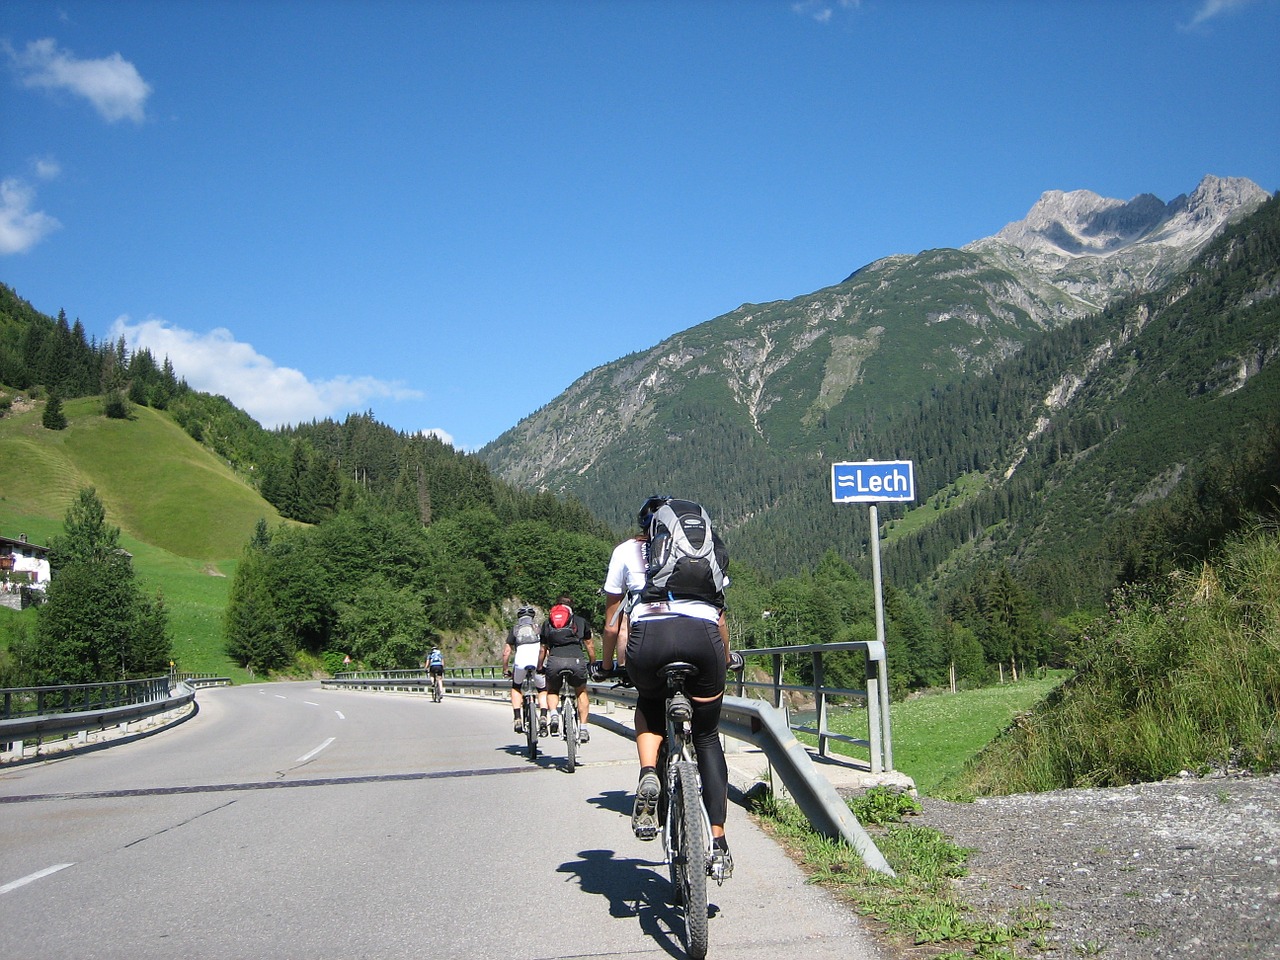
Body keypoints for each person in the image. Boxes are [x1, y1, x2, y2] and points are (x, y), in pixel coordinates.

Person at [598, 495, 736, 879]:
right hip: (702, 638)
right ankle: (720, 842)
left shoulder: (626, 551)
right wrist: (725, 656)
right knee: (707, 737)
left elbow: (612, 625)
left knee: (650, 703)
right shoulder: (705, 552)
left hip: (649, 641)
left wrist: (608, 665)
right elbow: (720, 618)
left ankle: (647, 772)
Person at [539, 595, 596, 742]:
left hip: (555, 661)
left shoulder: (547, 623)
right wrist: (593, 662)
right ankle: (583, 729)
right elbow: (589, 645)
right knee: (581, 691)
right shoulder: (580, 621)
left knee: (552, 690)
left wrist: (540, 666)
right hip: (576, 660)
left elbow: (543, 649)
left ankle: (554, 715)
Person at [502, 605, 548, 735]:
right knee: (542, 690)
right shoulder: (538, 629)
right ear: (532, 617)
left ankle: (517, 718)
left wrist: (505, 669)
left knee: (516, 687)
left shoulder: (515, 630)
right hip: (537, 662)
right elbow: (545, 649)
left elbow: (506, 652)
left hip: (520, 663)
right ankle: (544, 716)